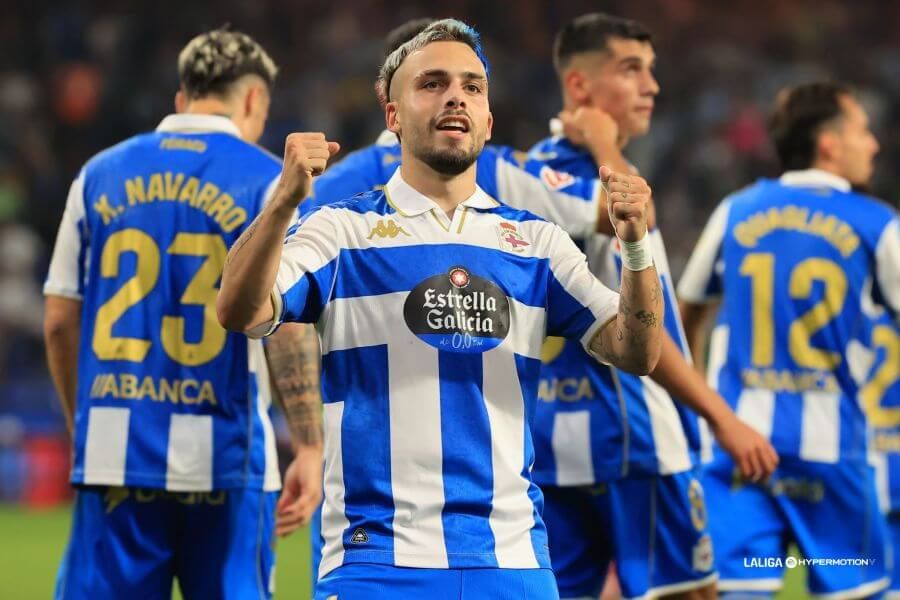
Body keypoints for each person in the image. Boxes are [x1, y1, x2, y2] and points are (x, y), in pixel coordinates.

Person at [217, 18, 663, 599]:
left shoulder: (536, 244)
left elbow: (638, 350)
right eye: (432, 83)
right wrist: (281, 202)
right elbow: (240, 311)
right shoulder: (341, 232)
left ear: (487, 119)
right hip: (374, 561)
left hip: (512, 561)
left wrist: (634, 246)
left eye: (472, 87)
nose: (456, 96)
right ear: (393, 116)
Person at [43, 29, 322, 599]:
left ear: (180, 99)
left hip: (114, 455)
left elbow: (58, 321)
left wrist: (83, 426)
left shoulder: (97, 175)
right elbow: (284, 324)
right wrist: (310, 445)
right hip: (226, 459)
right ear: (252, 102)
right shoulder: (273, 181)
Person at [528, 13, 777, 600]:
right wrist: (721, 416)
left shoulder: (534, 171)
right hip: (633, 440)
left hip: (560, 451)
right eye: (631, 69)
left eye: (652, 71)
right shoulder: (557, 176)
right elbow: (637, 327)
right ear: (581, 87)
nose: (651, 86)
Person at [678, 81, 900, 598]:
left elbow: (682, 318)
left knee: (738, 591)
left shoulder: (735, 210)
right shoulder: (878, 224)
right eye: (863, 131)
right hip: (834, 456)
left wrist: (697, 409)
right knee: (860, 589)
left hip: (738, 448)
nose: (874, 144)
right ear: (829, 144)